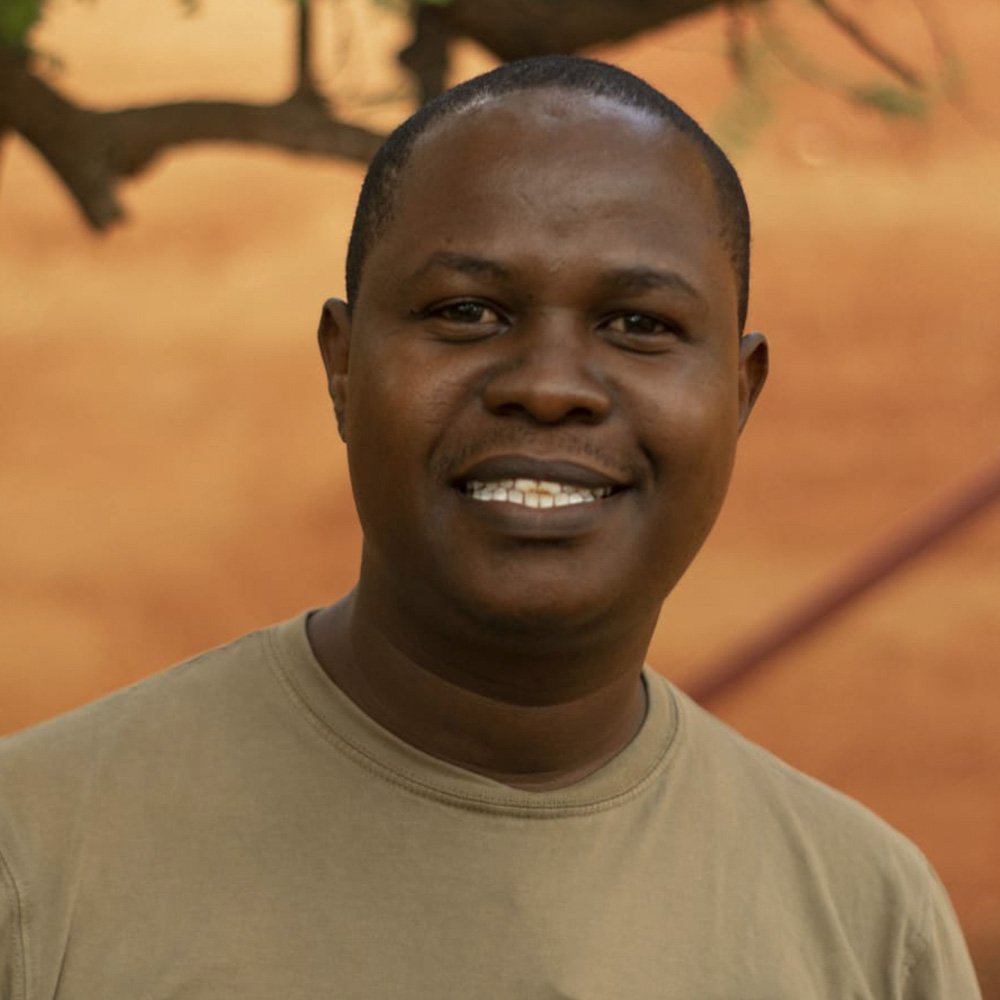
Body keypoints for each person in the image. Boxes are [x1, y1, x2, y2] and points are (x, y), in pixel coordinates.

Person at [0, 56, 981, 999]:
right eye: (467, 311)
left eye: (640, 324)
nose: (548, 387)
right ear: (343, 365)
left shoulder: (865, 921)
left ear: (738, 391)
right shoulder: (37, 857)